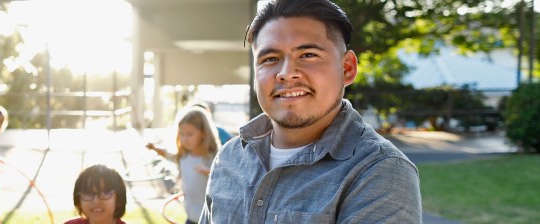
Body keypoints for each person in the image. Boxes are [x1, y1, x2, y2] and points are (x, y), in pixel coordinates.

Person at [200, 0, 422, 223]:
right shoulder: (229, 158)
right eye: (270, 59)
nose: (286, 73)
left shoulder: (380, 171)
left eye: (308, 55)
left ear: (347, 68)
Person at [144, 107, 220, 224]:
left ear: (204, 134)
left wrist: (207, 171)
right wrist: (154, 148)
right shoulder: (183, 156)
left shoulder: (212, 158)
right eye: (182, 134)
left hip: (210, 219)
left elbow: (223, 179)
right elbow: (167, 154)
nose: (184, 139)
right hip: (191, 218)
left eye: (189, 134)